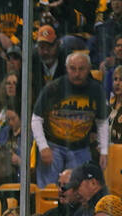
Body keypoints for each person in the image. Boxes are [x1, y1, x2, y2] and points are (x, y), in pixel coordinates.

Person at [32, 51, 109, 188]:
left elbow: (102, 122)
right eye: (73, 68)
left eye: (81, 69)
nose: (77, 73)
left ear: (89, 69)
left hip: (81, 148)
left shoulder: (96, 90)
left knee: (81, 191)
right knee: (48, 190)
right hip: (53, 147)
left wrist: (104, 151)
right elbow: (36, 119)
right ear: (67, 68)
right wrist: (43, 147)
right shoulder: (53, 88)